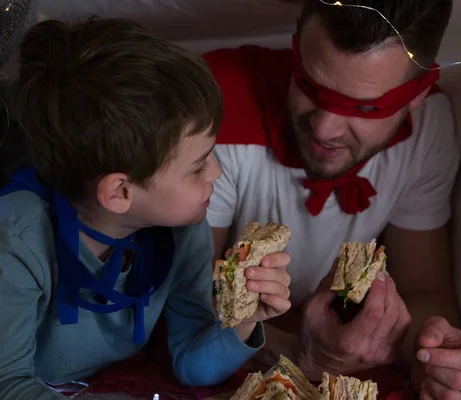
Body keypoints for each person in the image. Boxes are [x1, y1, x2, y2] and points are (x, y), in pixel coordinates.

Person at [204, 0, 461, 399]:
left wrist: (434, 358)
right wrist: (299, 354)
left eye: (364, 107)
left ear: (417, 96)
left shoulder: (428, 128)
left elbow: (424, 290)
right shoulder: (215, 103)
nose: (324, 127)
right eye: (309, 84)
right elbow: (187, 303)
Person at [0, 18, 292, 399]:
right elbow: (8, 384)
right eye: (198, 166)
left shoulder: (182, 230)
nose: (217, 172)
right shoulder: (17, 243)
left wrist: (244, 320)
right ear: (120, 192)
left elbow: (191, 362)